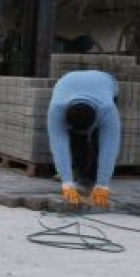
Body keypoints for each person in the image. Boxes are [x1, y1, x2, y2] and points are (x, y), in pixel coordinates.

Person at [47, 69, 122, 208]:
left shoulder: (107, 110)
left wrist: (103, 184)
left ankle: (93, 181)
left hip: (106, 81)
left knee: (99, 142)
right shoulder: (57, 109)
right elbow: (58, 145)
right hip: (67, 80)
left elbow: (110, 146)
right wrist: (67, 183)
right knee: (76, 142)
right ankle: (78, 178)